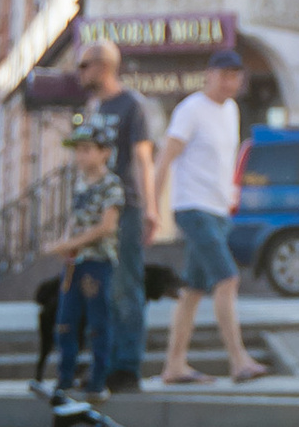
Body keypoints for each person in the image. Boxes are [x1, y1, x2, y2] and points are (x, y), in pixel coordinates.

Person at [156, 46, 266, 386]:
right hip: (193, 207)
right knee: (227, 278)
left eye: (235, 77)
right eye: (223, 76)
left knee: (192, 291)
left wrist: (230, 197)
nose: (229, 83)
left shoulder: (231, 110)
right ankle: (238, 360)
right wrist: (151, 208)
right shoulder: (191, 110)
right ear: (209, 75)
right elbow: (165, 158)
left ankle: (174, 365)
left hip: (218, 210)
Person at [75, 39, 157, 390]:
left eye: (84, 65)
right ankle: (103, 365)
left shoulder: (131, 105)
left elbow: (143, 157)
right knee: (100, 289)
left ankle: (127, 368)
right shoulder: (93, 107)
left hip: (125, 206)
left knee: (125, 287)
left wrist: (152, 207)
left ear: (103, 66)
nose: (80, 72)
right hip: (98, 208)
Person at [44, 112, 121, 396]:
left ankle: (98, 380)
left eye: (87, 150)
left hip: (97, 263)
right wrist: (65, 242)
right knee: (66, 322)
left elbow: (107, 226)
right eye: (77, 150)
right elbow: (74, 219)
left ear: (105, 153)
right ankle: (64, 378)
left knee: (98, 323)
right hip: (74, 263)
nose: (80, 156)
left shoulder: (110, 185)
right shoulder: (79, 183)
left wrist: (72, 242)